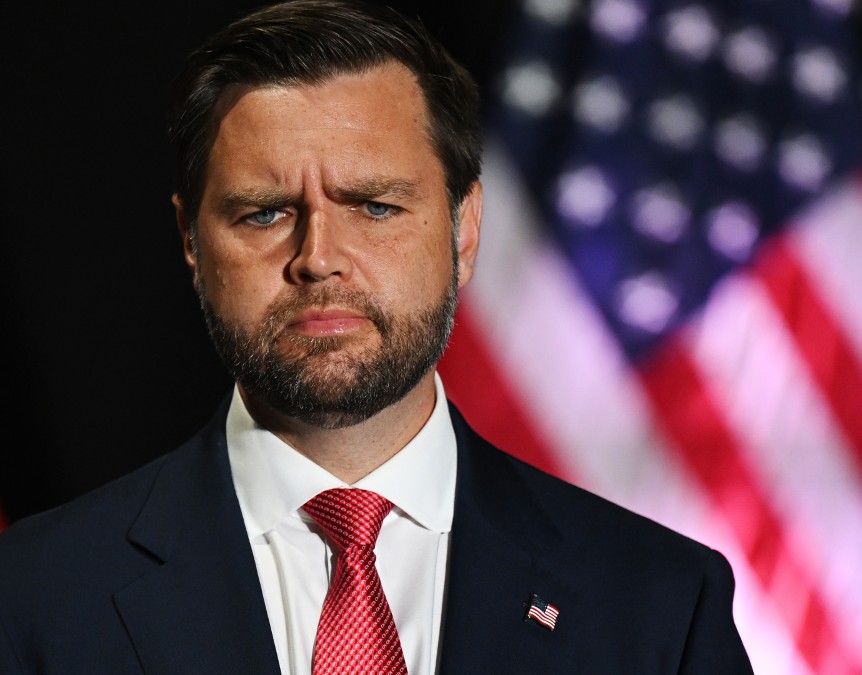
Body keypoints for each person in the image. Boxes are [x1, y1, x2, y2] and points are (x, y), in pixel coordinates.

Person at [0, 1, 754, 673]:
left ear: (464, 229)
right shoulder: (30, 598)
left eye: (374, 206)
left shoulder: (662, 605)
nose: (318, 256)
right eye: (264, 212)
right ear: (190, 240)